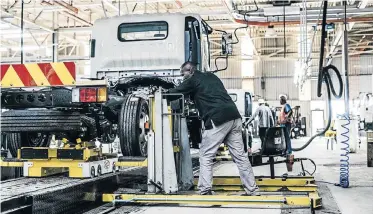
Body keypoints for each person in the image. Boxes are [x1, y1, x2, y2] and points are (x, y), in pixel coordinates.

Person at [167, 61, 259, 196]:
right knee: (240, 157)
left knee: (205, 155)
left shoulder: (192, 80)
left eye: (183, 74)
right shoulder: (212, 76)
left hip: (218, 119)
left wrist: (160, 93)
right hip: (234, 116)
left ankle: (205, 190)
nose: (182, 77)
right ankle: (253, 190)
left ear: (190, 70)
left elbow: (175, 92)